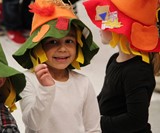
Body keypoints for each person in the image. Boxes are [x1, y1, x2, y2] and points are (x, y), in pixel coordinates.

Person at [12, 0, 101, 132]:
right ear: (38, 47)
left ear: (78, 45)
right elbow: (33, 124)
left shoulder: (83, 83)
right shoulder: (28, 80)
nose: (63, 49)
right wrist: (46, 89)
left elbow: (93, 129)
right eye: (53, 42)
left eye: (69, 41)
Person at [83, 0, 160, 132]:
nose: (99, 28)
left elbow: (136, 120)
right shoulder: (114, 60)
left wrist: (96, 122)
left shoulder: (137, 71)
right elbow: (105, 97)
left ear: (119, 30)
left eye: (104, 21)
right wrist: (84, 109)